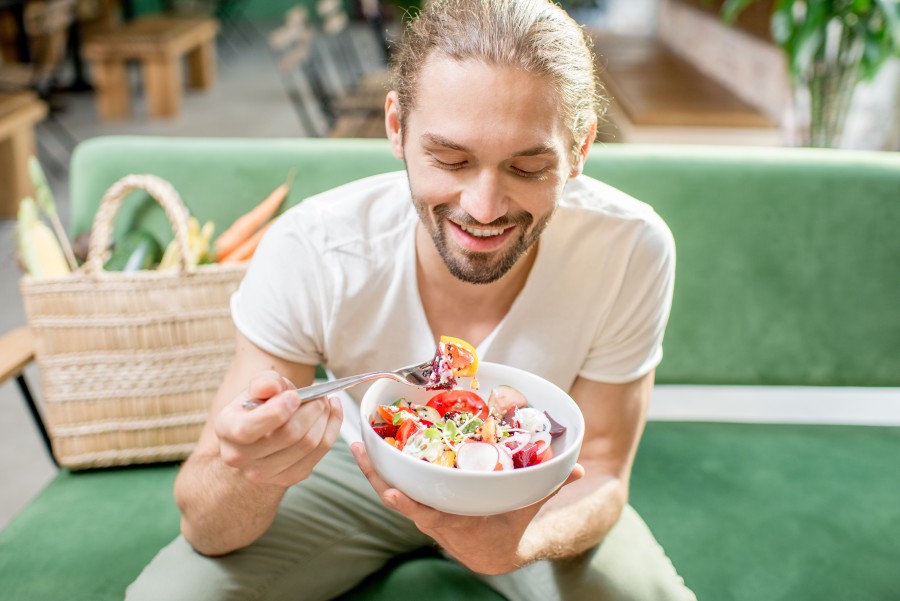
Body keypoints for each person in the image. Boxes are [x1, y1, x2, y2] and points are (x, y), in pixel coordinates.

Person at [127, 0, 696, 599]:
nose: (483, 207)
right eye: (450, 159)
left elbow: (602, 468)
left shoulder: (631, 247)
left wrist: (520, 543)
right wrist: (252, 470)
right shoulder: (313, 249)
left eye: (527, 168)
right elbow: (205, 524)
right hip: (360, 463)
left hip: (533, 487)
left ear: (579, 148)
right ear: (396, 128)